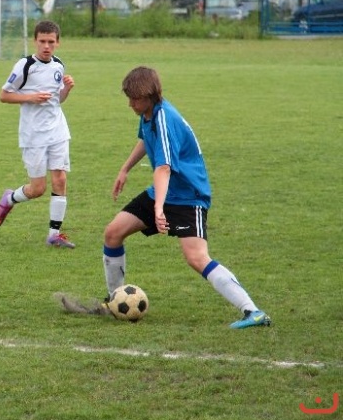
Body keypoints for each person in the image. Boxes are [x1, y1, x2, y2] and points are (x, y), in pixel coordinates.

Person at [101, 66, 271, 329]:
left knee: (197, 257)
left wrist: (158, 209)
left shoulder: (165, 119)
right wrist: (125, 169)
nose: (130, 104)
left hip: (188, 196)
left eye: (134, 99)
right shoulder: (148, 113)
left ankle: (253, 311)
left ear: (149, 96)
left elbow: (164, 167)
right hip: (165, 191)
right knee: (113, 232)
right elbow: (146, 140)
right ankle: (114, 300)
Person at [0, 20, 76, 249]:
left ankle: (54, 234)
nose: (46, 46)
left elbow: (57, 100)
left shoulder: (58, 65)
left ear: (58, 43)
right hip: (33, 135)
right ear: (35, 41)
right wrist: (30, 97)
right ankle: (9, 199)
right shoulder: (25, 66)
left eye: (51, 42)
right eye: (42, 41)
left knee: (60, 179)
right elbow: (4, 95)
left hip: (57, 130)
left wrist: (67, 89)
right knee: (37, 189)